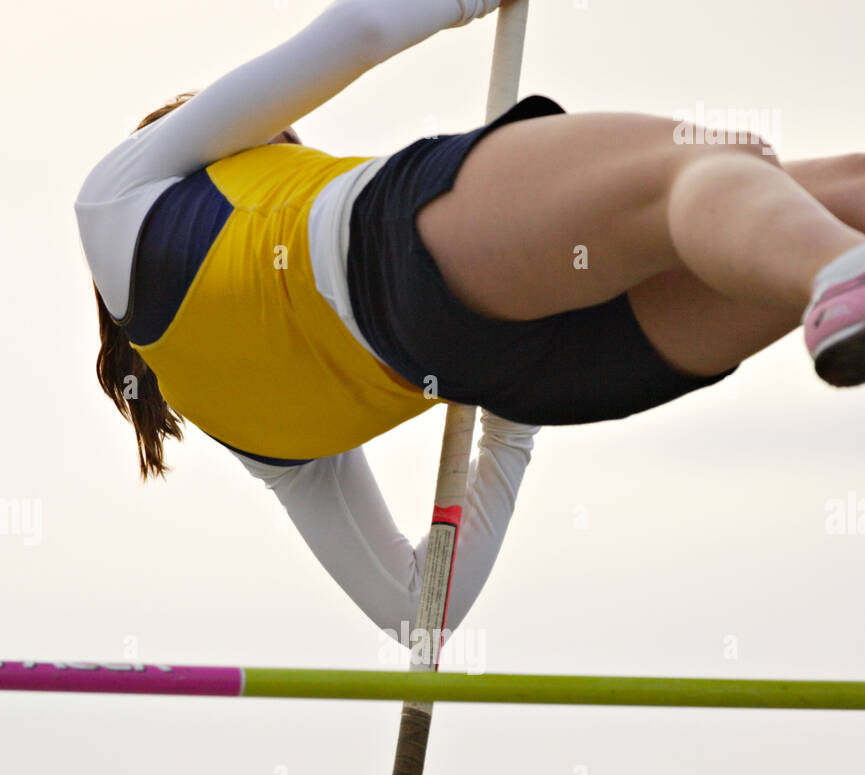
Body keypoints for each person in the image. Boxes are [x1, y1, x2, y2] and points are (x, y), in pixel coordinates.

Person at [74, 0, 865, 642]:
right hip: (400, 245)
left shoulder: (254, 438)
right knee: (714, 164)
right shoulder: (113, 197)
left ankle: (832, 271)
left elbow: (422, 614)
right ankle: (838, 278)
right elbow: (360, 30)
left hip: (533, 375)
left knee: (809, 200)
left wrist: (508, 426)